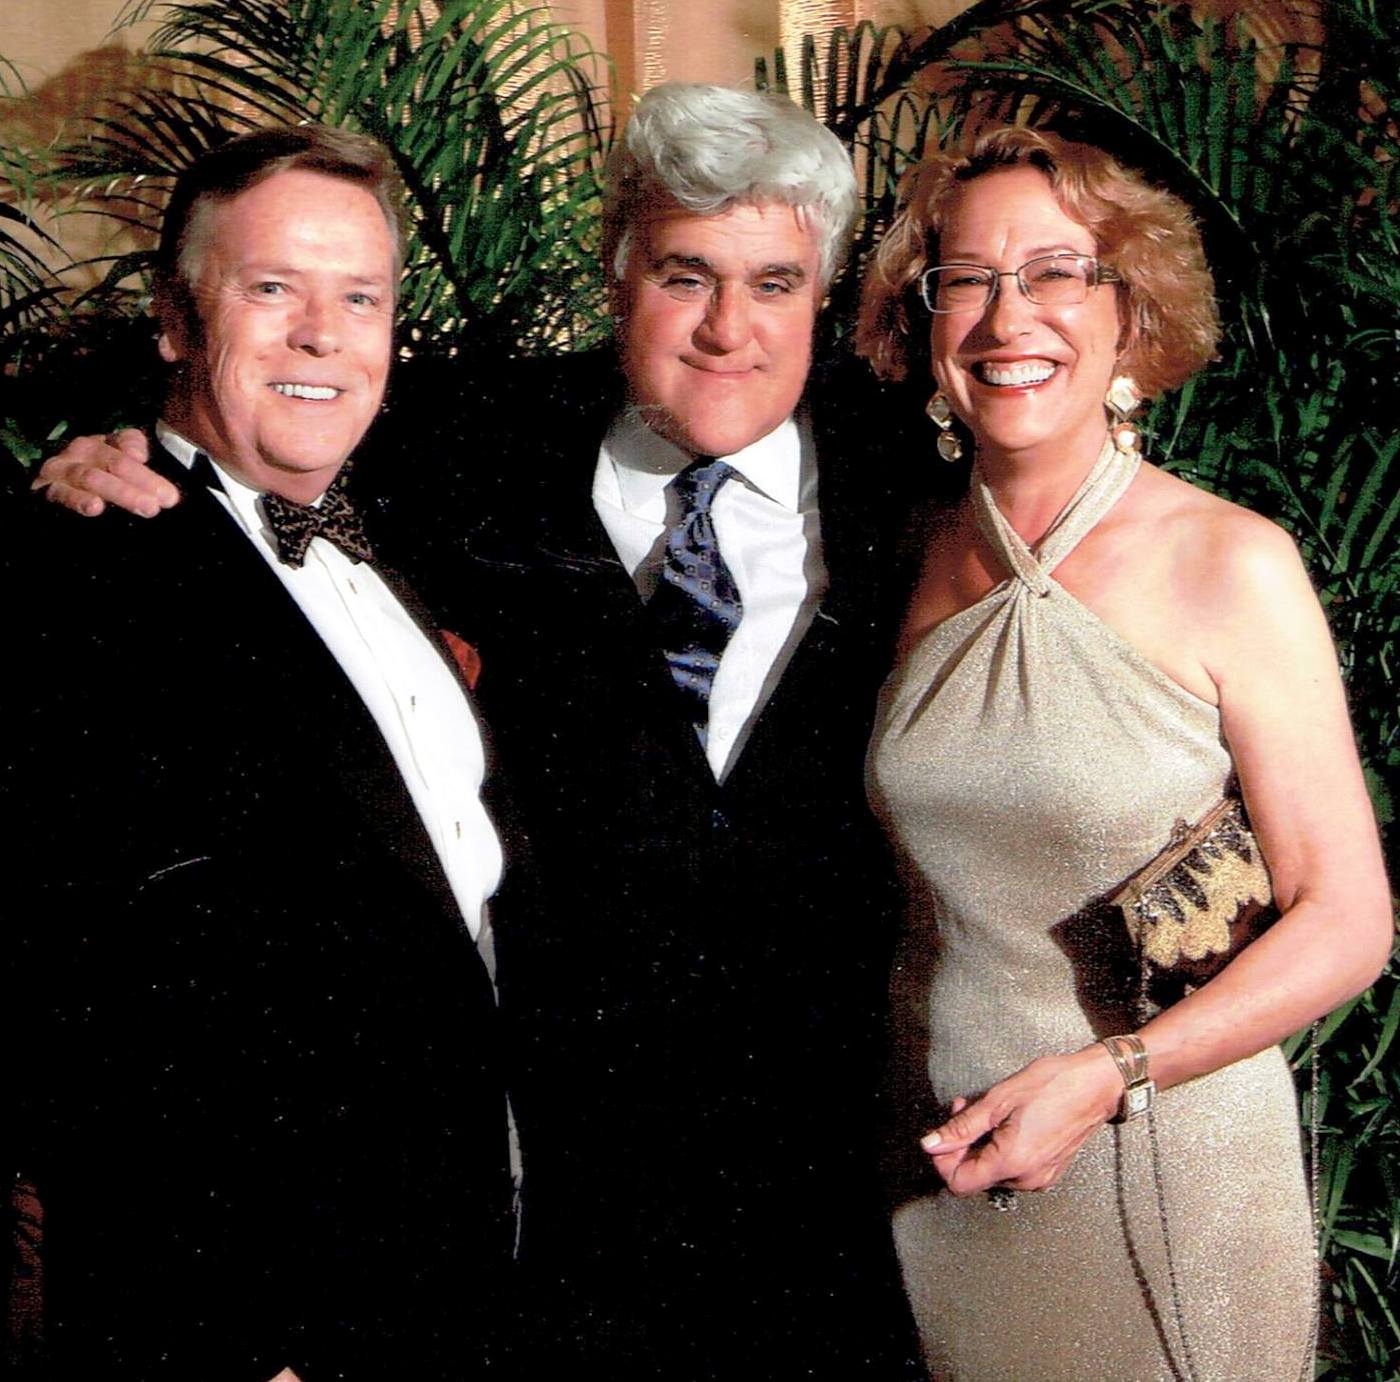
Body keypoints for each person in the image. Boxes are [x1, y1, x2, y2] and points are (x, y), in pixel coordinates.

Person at [32, 85, 930, 1378]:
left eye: (777, 280)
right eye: (686, 273)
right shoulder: (465, 456)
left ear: (826, 298)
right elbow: (101, 985)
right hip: (539, 1260)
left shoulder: (915, 491)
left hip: (834, 1223)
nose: (731, 327)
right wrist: (81, 486)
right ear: (619, 275)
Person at [855, 125, 1392, 1380]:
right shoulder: (909, 559)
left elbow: (1347, 917)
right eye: (968, 277)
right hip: (940, 1180)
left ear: (1126, 315)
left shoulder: (1227, 561)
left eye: (1053, 271)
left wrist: (1108, 1074)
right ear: (926, 322)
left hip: (1161, 1167)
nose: (1006, 316)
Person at [5, 126, 513, 1380]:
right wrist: (239, 1334)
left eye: (360, 297)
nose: (320, 333)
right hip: (263, 1328)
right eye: (271, 288)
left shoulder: (394, 542)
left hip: (454, 1281)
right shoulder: (82, 574)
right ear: (176, 320)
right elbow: (69, 1007)